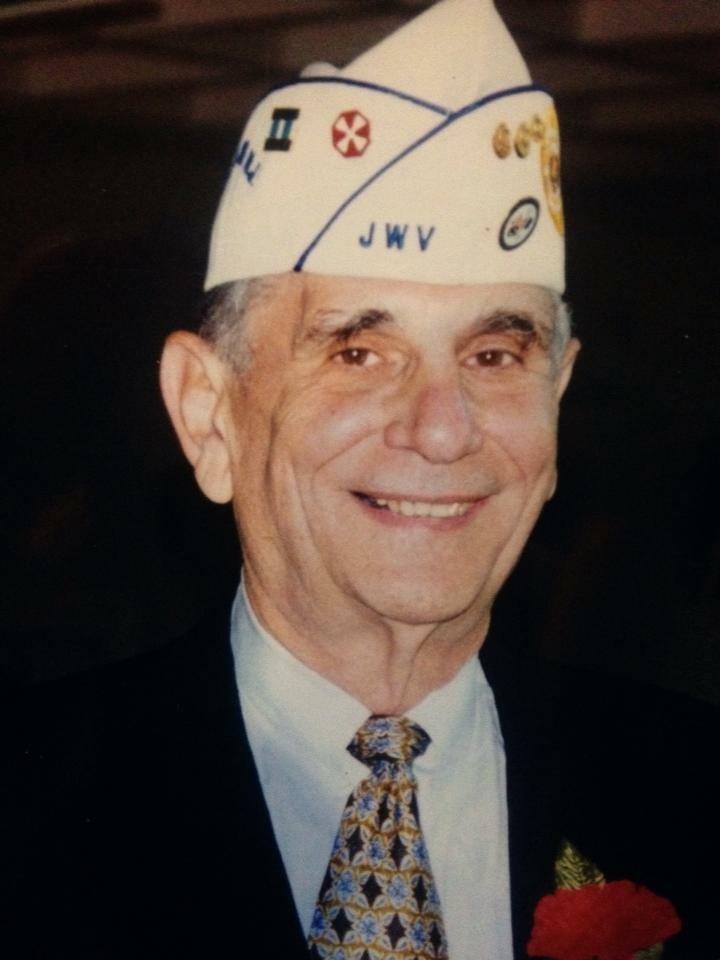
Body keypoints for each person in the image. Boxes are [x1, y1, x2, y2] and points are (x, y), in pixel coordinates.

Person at [6, 1, 716, 958]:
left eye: (498, 355)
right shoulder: (32, 804)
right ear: (209, 414)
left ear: (560, 395)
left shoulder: (692, 784)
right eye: (358, 352)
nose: (442, 429)